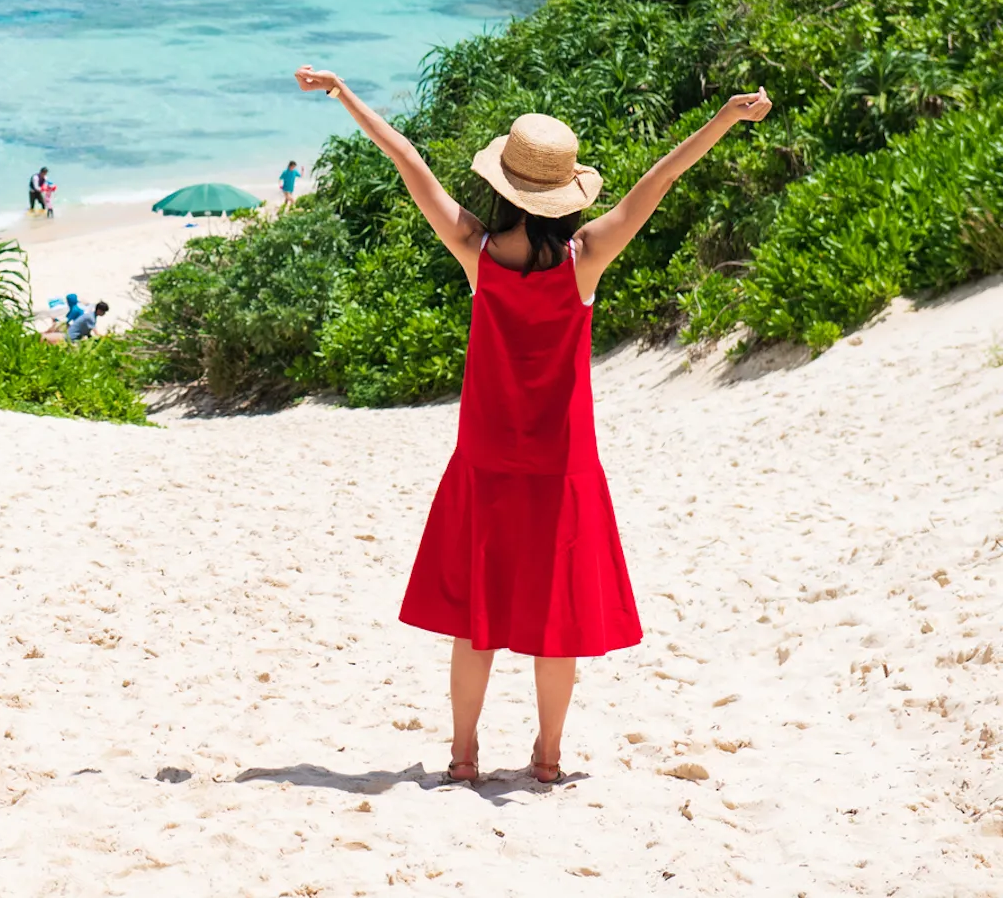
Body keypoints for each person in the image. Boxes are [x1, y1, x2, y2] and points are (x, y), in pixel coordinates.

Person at [294, 63, 771, 786]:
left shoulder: (476, 253)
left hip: (485, 458)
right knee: (558, 619)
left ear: (501, 184)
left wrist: (342, 92)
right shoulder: (588, 258)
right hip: (563, 464)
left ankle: (463, 757)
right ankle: (547, 758)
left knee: (475, 615)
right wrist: (725, 120)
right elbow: (661, 180)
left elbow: (408, 160)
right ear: (566, 192)